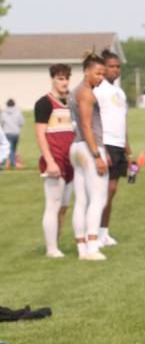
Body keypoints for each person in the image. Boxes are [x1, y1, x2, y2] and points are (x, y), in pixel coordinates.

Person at [69, 53, 110, 261]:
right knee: (98, 198)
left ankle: (81, 248)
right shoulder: (85, 93)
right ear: (86, 71)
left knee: (82, 199)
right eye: (97, 73)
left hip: (76, 147)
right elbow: (87, 126)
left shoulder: (76, 91)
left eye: (103, 74)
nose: (101, 77)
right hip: (88, 148)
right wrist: (97, 155)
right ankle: (92, 246)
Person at [34, 64, 75, 258]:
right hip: (55, 160)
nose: (64, 82)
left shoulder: (71, 102)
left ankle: (55, 242)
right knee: (53, 203)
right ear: (52, 79)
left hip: (71, 162)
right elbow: (40, 135)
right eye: (60, 78)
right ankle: (51, 249)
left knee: (64, 206)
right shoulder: (44, 103)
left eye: (66, 78)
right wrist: (50, 161)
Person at [93, 49, 130, 247]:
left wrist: (127, 147)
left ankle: (104, 232)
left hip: (118, 144)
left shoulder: (120, 92)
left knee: (112, 190)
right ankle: (93, 233)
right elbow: (93, 120)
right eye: (111, 66)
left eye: (118, 66)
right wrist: (101, 148)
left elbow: (122, 120)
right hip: (105, 144)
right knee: (103, 191)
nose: (115, 70)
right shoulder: (98, 90)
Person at [1, 99, 25, 169]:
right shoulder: (18, 112)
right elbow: (22, 122)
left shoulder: (4, 113)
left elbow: (1, 123)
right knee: (13, 149)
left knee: (9, 149)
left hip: (7, 133)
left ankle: (12, 163)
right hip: (16, 133)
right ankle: (12, 163)